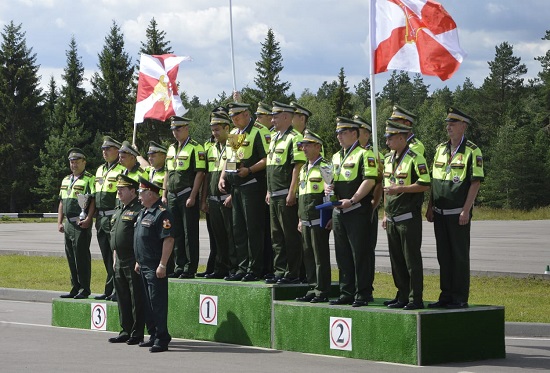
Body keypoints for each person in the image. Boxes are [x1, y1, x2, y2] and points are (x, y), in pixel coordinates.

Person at [426, 107, 484, 309]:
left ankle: (459, 297)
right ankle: (446, 295)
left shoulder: (472, 151)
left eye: (453, 123)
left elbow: (475, 182)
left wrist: (466, 210)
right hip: (440, 213)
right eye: (447, 123)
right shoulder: (440, 149)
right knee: (444, 256)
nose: (448, 127)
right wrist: (430, 205)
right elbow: (435, 180)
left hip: (458, 213)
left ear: (464, 126)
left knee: (459, 257)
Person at [328, 117, 378, 307]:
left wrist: (354, 199)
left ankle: (363, 293)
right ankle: (346, 291)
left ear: (354, 134)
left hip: (357, 210)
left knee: (360, 253)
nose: (339, 136)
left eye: (342, 132)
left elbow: (370, 180)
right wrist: (329, 187)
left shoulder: (365, 155)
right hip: (339, 212)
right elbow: (332, 179)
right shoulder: (335, 156)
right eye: (337, 133)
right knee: (342, 253)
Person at [218, 102, 270, 281]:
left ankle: (254, 269)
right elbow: (229, 158)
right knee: (238, 229)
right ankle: (241, 267)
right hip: (236, 187)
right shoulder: (234, 133)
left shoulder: (259, 131)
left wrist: (249, 170)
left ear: (247, 114)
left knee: (252, 229)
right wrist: (223, 176)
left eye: (237, 115)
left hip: (252, 186)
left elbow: (266, 159)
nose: (234, 119)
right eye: (232, 116)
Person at [382, 120, 431, 310]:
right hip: (392, 217)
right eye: (386, 138)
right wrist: (385, 213)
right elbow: (387, 189)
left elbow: (425, 184)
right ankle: (401, 294)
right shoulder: (388, 159)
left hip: (408, 218)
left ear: (402, 138)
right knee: (396, 261)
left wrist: (401, 188)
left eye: (391, 138)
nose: (388, 142)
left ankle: (415, 297)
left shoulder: (415, 158)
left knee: (411, 260)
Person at [265, 101, 306, 284]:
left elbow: (297, 167)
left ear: (286, 117)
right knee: (276, 236)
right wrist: (268, 190)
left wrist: (292, 192)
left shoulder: (295, 138)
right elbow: (270, 165)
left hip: (285, 194)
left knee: (290, 235)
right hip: (273, 194)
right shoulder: (274, 137)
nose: (272, 119)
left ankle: (293, 272)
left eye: (275, 116)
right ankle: (279, 270)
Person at [134, 177, 175, 353]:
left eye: (141, 193)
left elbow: (168, 239)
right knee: (147, 302)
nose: (139, 197)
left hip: (155, 265)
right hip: (143, 264)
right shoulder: (144, 211)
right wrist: (138, 260)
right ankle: (153, 335)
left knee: (157, 302)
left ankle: (162, 337)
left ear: (150, 193)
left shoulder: (162, 213)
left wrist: (163, 265)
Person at [163, 115, 205, 279]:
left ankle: (189, 267)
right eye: (173, 129)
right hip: (172, 196)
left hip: (186, 194)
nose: (175, 132)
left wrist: (193, 195)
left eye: (178, 129)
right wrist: (164, 193)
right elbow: (167, 172)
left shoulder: (196, 147)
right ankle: (179, 265)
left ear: (186, 128)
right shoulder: (171, 148)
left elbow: (200, 173)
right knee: (175, 232)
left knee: (189, 233)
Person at [108, 174, 144, 345]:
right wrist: (115, 257)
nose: (119, 192)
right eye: (118, 189)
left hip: (132, 259)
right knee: (122, 297)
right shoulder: (118, 210)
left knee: (135, 297)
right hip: (119, 260)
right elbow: (114, 236)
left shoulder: (138, 210)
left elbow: (139, 238)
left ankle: (137, 333)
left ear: (132, 191)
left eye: (122, 189)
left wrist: (138, 259)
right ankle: (125, 330)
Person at [295, 131, 331, 303]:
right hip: (306, 219)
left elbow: (330, 194)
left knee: (320, 256)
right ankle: (312, 287)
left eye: (308, 145)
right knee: (308, 255)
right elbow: (302, 195)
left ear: (318, 146)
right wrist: (300, 219)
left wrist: (329, 216)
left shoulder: (325, 166)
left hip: (319, 219)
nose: (304, 148)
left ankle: (322, 289)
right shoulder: (303, 168)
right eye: (303, 145)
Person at [200, 111, 236, 279]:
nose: (214, 133)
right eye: (213, 130)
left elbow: (234, 168)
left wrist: (233, 194)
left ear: (227, 128)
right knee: (218, 236)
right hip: (213, 199)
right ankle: (220, 267)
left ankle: (234, 268)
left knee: (231, 235)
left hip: (227, 198)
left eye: (217, 130)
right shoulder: (211, 147)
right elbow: (208, 176)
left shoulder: (234, 143)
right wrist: (205, 198)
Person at [57, 148, 96, 299]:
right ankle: (75, 287)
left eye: (77, 162)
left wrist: (89, 218)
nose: (74, 165)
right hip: (68, 223)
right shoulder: (66, 179)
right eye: (71, 162)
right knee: (71, 256)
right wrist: (59, 221)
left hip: (81, 223)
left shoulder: (89, 179)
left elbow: (92, 201)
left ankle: (84, 288)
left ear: (84, 162)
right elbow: (61, 202)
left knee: (81, 256)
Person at [354, 115, 383, 301]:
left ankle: (365, 289)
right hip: (350, 211)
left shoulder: (372, 155)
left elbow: (379, 183)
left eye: (359, 132)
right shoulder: (351, 154)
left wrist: (374, 204)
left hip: (366, 209)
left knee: (365, 251)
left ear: (366, 134)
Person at [94, 136, 125, 301]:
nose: (104, 152)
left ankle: (117, 290)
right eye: (103, 149)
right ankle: (109, 288)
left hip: (113, 215)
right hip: (100, 218)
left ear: (116, 151)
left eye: (108, 149)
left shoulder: (120, 170)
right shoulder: (99, 170)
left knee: (116, 255)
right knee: (106, 255)